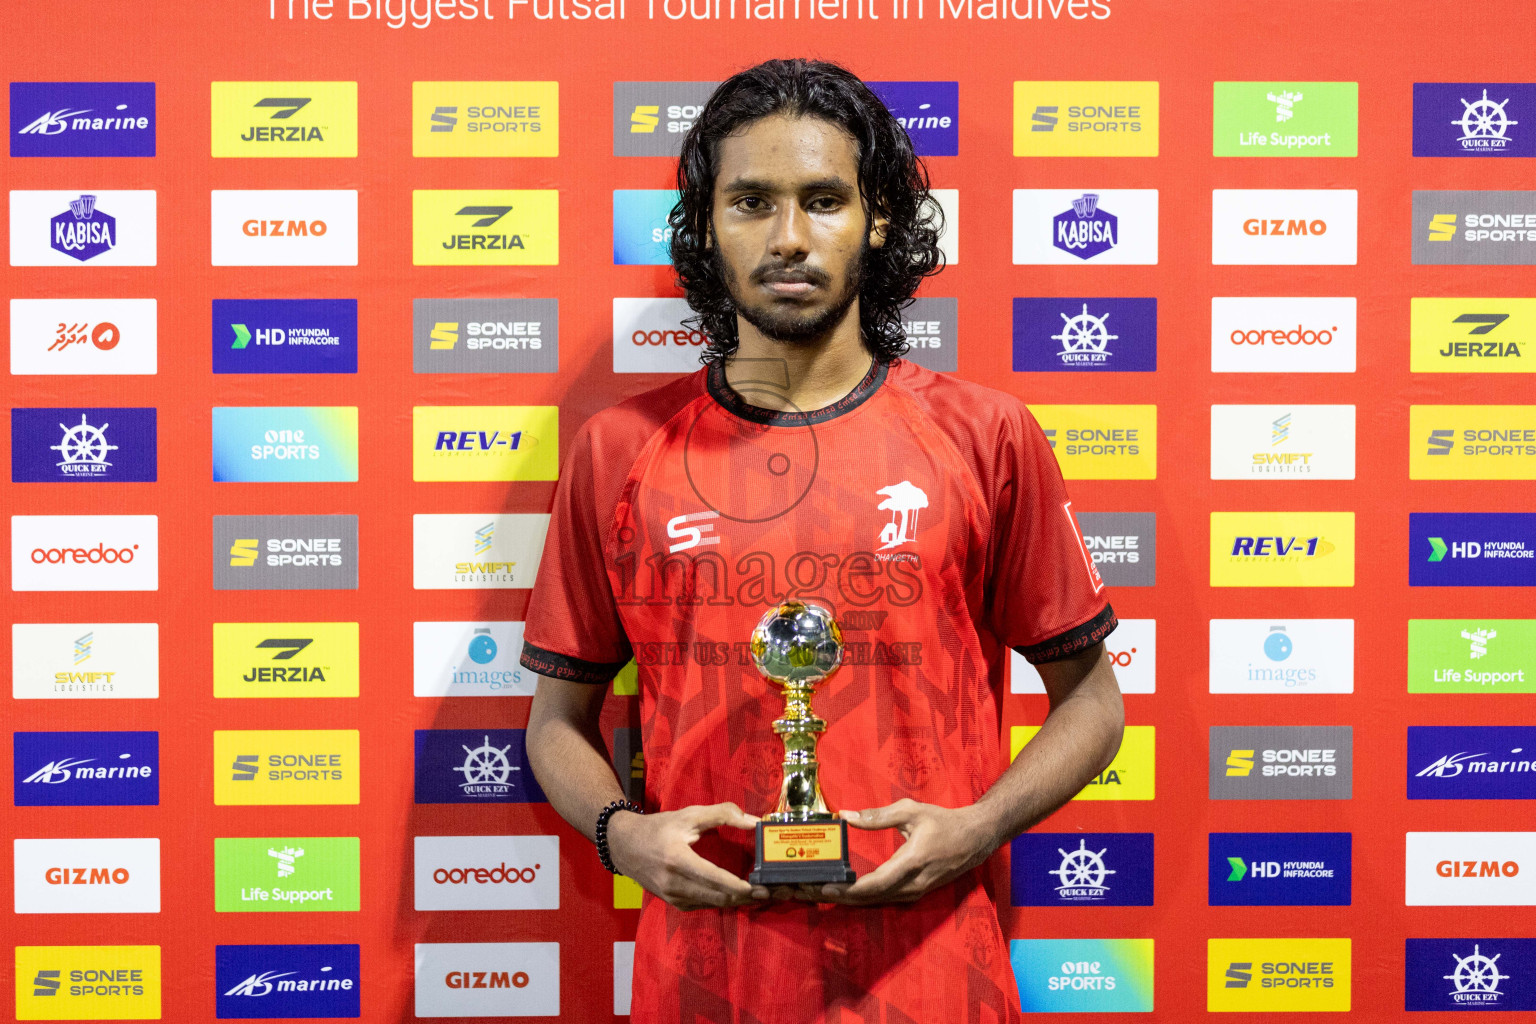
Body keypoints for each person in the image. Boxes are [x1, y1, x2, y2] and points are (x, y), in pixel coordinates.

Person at [521, 57, 1125, 1023]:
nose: (789, 238)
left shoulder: (984, 433)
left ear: (877, 219)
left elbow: (1093, 704)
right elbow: (557, 723)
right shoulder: (619, 451)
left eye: (824, 200)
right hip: (705, 976)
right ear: (706, 225)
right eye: (751, 202)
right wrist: (619, 834)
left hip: (932, 973)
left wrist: (978, 827)